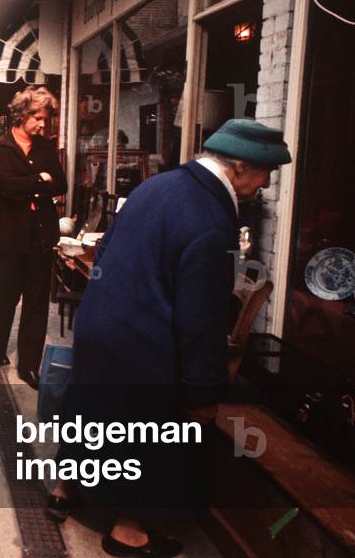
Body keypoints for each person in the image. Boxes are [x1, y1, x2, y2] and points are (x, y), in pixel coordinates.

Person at [47, 118, 292, 558]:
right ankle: (128, 532)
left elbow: (105, 249)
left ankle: (65, 490)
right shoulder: (212, 218)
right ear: (239, 167)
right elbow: (202, 317)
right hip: (143, 342)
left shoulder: (158, 186)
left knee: (91, 410)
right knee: (148, 429)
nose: (265, 185)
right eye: (265, 173)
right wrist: (203, 391)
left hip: (99, 322)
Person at [0, 88, 67, 389]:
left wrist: (31, 186)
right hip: (8, 234)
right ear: (21, 115)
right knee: (8, 292)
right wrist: (39, 181)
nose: (43, 125)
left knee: (37, 300)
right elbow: (7, 186)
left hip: (41, 235)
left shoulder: (45, 147)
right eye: (38, 118)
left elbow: (61, 184)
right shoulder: (0, 148)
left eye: (46, 119)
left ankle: (29, 365)